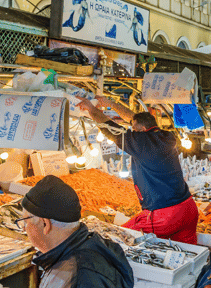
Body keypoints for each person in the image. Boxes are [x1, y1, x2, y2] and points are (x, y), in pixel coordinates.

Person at [19, 176, 134, 288]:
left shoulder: (80, 284)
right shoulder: (65, 257)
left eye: (25, 221)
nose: (24, 228)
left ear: (44, 224)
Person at [77, 96, 198, 243]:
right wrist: (111, 104)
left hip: (165, 215)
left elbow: (108, 126)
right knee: (187, 254)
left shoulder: (141, 142)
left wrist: (90, 108)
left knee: (118, 239)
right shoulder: (167, 136)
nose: (132, 131)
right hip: (189, 208)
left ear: (142, 130)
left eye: (134, 129)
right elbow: (134, 118)